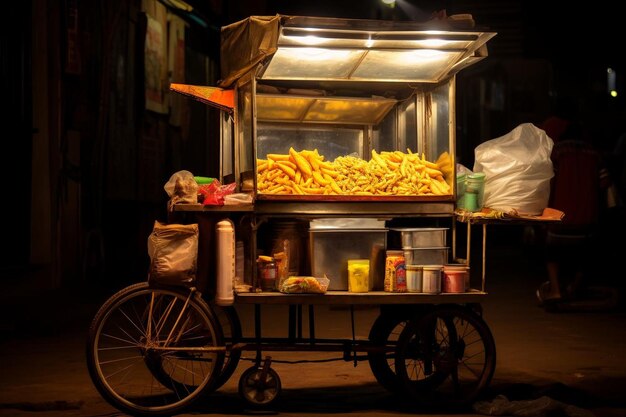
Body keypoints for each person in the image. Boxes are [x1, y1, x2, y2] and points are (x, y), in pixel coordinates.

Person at [536, 121, 612, 307]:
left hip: (559, 217)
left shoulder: (558, 152)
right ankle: (574, 288)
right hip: (587, 218)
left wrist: (542, 211)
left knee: (551, 253)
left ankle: (555, 290)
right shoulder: (594, 154)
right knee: (586, 256)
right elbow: (605, 183)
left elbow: (549, 183)